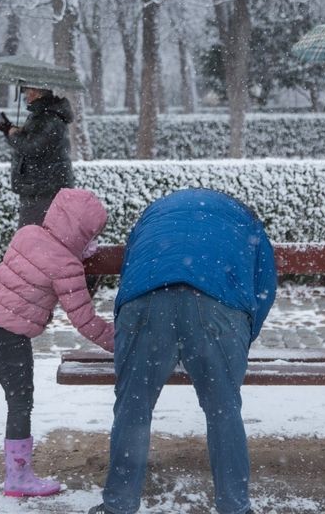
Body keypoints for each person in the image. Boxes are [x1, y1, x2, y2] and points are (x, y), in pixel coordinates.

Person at [88, 189, 276, 514]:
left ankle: (118, 505)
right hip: (217, 304)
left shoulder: (153, 215)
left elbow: (131, 272)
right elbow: (264, 287)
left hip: (145, 300)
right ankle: (235, 506)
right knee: (223, 410)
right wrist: (238, 341)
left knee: (133, 407)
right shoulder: (246, 222)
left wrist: (133, 332)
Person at [0, 188, 114, 498]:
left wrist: (75, 252)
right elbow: (84, 320)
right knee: (20, 403)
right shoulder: (67, 265)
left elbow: (40, 261)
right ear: (85, 232)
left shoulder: (27, 234)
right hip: (11, 336)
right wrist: (119, 342)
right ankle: (18, 478)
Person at [0, 85, 75, 227]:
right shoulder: (42, 115)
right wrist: (13, 130)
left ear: (36, 93)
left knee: (32, 234)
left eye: (27, 92)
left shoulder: (49, 118)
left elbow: (31, 147)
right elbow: (34, 140)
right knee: (34, 233)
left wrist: (12, 134)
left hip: (44, 189)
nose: (25, 96)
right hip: (39, 188)